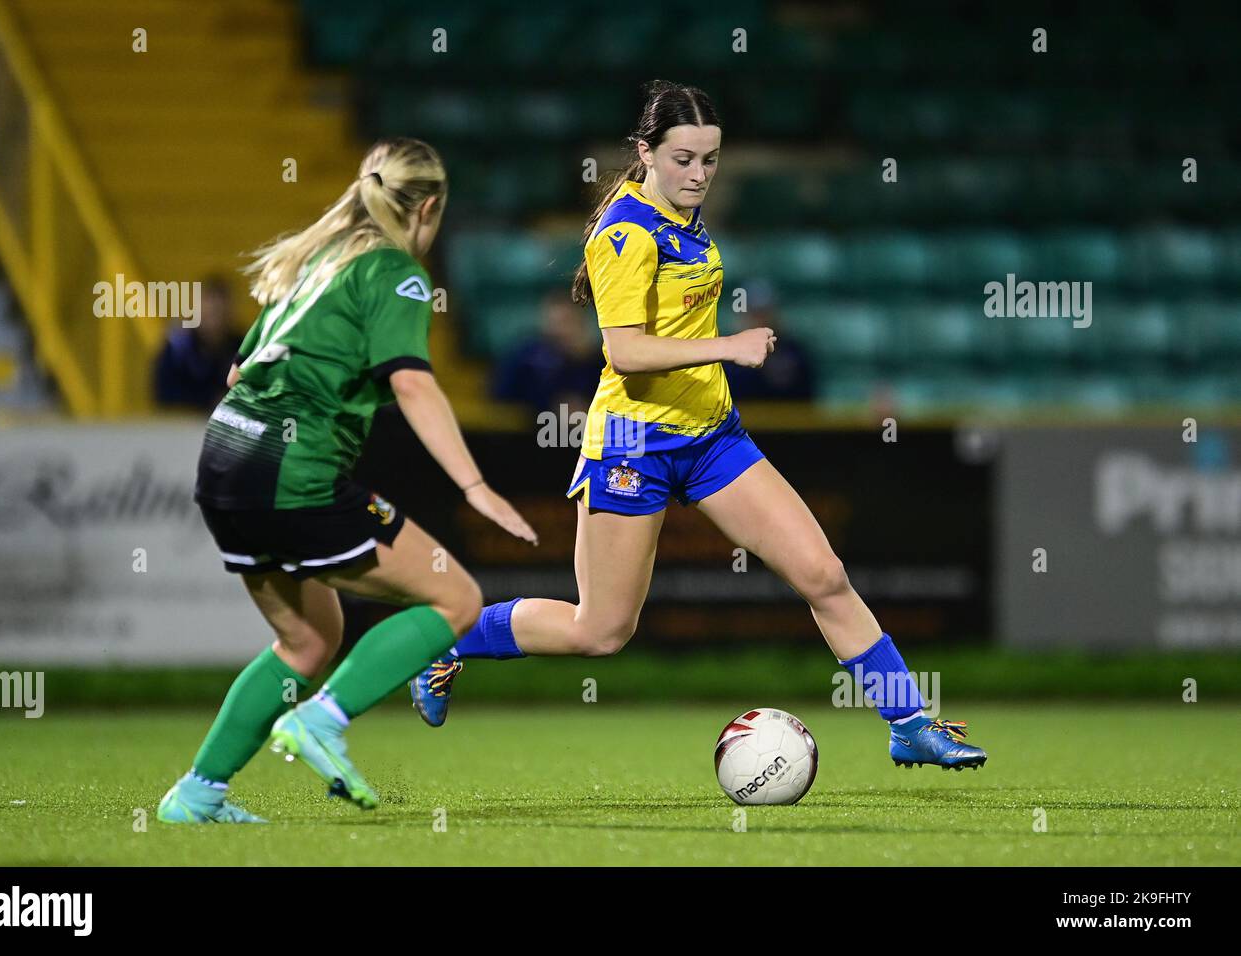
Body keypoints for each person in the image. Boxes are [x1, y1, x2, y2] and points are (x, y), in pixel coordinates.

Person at [410, 81, 986, 772]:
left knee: (823, 573)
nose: (698, 175)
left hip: (712, 435)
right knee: (601, 630)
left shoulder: (684, 219)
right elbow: (624, 349)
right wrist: (727, 346)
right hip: (633, 445)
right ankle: (447, 640)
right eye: (683, 159)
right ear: (646, 152)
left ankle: (909, 721)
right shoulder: (625, 232)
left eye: (710, 160)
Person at [157, 137, 537, 824]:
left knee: (307, 641)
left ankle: (197, 795)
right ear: (427, 208)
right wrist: (476, 487)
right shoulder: (395, 272)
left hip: (224, 456)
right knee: (456, 597)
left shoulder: (320, 262)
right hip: (287, 468)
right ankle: (322, 721)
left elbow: (238, 375)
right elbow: (414, 384)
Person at [491, 288, 602, 415]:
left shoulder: (595, 361)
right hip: (532, 429)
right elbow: (501, 395)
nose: (560, 330)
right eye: (555, 322)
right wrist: (551, 405)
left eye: (567, 321)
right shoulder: (527, 357)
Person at [152, 275, 240, 412]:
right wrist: (208, 400)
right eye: (209, 313)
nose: (213, 320)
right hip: (181, 426)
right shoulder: (178, 347)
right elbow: (164, 394)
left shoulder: (241, 348)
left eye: (218, 313)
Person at [723, 279, 819, 400]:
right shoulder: (726, 356)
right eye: (753, 313)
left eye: (764, 312)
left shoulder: (795, 355)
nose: (760, 319)